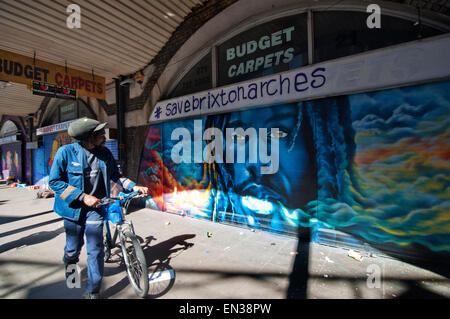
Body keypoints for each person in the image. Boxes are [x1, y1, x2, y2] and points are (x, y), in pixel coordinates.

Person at [49, 117, 148, 299]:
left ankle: (93, 291)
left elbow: (116, 176)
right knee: (72, 250)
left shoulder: (105, 154)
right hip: (72, 210)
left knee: (96, 250)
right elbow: (55, 182)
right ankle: (72, 277)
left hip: (96, 208)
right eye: (100, 134)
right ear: (88, 137)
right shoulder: (65, 153)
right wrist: (82, 197)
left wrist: (134, 186)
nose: (104, 136)